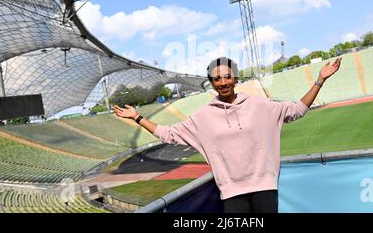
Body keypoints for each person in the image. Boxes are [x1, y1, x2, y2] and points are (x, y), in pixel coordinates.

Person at [114, 57, 342, 213]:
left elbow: (298, 110)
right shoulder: (202, 116)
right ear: (212, 83)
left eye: (227, 77)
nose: (223, 82)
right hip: (232, 192)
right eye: (217, 79)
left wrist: (320, 80)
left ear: (235, 78)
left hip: (264, 186)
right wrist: (137, 117)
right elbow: (169, 134)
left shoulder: (260, 105)